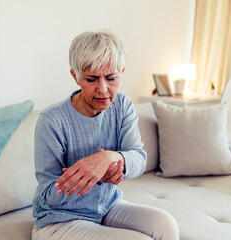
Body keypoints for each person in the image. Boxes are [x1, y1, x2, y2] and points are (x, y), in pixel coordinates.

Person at [32, 30, 179, 240]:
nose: (103, 89)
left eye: (111, 78)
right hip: (59, 220)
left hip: (106, 207)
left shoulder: (123, 105)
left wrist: (110, 158)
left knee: (165, 224)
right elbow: (48, 195)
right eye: (91, 79)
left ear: (121, 72)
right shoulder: (52, 120)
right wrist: (90, 174)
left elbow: (138, 157)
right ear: (75, 76)